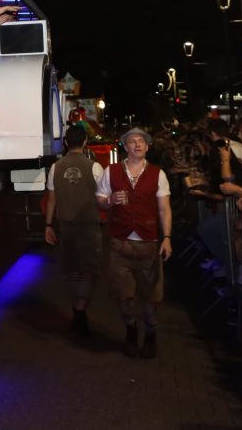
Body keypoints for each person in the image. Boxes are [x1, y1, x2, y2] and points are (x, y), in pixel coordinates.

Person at [95, 127, 172, 358]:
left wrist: (167, 238)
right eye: (132, 142)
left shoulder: (158, 174)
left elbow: (164, 208)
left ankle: (150, 332)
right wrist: (109, 201)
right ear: (125, 147)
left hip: (149, 243)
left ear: (148, 147)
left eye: (141, 141)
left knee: (151, 297)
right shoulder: (111, 171)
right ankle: (130, 327)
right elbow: (99, 200)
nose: (137, 145)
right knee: (123, 296)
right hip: (120, 243)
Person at [44, 124, 105, 337]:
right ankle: (81, 311)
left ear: (66, 143)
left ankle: (76, 311)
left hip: (65, 225)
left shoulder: (56, 167)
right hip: (89, 225)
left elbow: (51, 200)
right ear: (86, 142)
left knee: (72, 269)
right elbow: (103, 197)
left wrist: (48, 225)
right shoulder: (95, 167)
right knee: (88, 270)